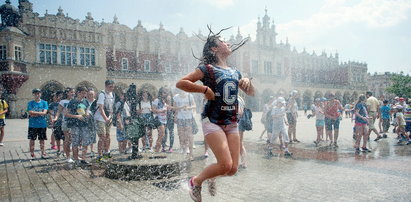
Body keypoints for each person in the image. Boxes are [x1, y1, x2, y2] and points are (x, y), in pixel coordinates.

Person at [176, 29, 254, 202]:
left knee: (232, 169)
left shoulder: (235, 71)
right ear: (214, 49)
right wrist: (204, 89)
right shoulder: (207, 69)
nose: (227, 43)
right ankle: (195, 182)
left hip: (231, 122)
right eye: (223, 41)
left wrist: (248, 82)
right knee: (225, 164)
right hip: (212, 120)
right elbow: (181, 83)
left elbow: (251, 93)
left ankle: (211, 176)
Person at [65, 86, 90, 163]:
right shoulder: (72, 102)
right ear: (78, 93)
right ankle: (76, 158)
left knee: (85, 141)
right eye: (83, 93)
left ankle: (83, 158)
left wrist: (87, 114)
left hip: (84, 124)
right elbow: (66, 114)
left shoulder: (86, 101)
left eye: (85, 94)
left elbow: (87, 111)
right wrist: (77, 116)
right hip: (75, 125)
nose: (84, 95)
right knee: (75, 142)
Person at [94, 80, 115, 160]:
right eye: (110, 87)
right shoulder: (102, 94)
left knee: (108, 136)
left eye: (113, 87)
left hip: (109, 118)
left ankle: (106, 152)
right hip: (100, 118)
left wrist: (110, 117)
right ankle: (99, 155)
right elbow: (101, 108)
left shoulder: (112, 94)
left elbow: (111, 107)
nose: (112, 88)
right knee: (102, 137)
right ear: (106, 86)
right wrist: (106, 118)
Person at [53, 87, 75, 162]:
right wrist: (55, 118)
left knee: (71, 139)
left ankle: (70, 155)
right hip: (66, 122)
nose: (73, 93)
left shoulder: (75, 101)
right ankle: (68, 156)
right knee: (67, 139)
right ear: (67, 93)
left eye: (73, 92)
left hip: (74, 122)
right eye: (71, 92)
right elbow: (58, 111)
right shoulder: (63, 101)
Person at [173, 90, 196, 158]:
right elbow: (174, 108)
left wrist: (188, 108)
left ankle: (188, 149)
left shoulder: (189, 95)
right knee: (181, 135)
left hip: (188, 118)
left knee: (188, 135)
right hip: (180, 118)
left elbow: (194, 105)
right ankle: (183, 148)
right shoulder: (176, 97)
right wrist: (180, 109)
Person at [27, 88, 49, 159]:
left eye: (38, 93)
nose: (37, 95)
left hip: (42, 124)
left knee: (42, 140)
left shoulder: (44, 102)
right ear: (33, 94)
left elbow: (45, 112)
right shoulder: (30, 103)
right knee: (32, 139)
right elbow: (30, 112)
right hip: (32, 125)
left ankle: (43, 153)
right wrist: (40, 113)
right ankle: (32, 153)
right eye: (35, 93)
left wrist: (34, 113)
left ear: (41, 94)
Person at [152, 87, 170, 152]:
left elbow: (169, 108)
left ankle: (157, 148)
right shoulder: (157, 100)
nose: (165, 94)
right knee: (161, 134)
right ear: (160, 93)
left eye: (166, 93)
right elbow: (153, 110)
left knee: (162, 135)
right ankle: (157, 149)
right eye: (164, 93)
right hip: (158, 119)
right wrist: (160, 111)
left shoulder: (165, 101)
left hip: (164, 120)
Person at [85, 89, 97, 157]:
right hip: (85, 121)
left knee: (92, 136)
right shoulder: (85, 101)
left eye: (92, 94)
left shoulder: (96, 102)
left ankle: (92, 150)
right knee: (85, 136)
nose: (90, 96)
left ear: (94, 94)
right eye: (89, 94)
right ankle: (85, 150)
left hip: (93, 121)